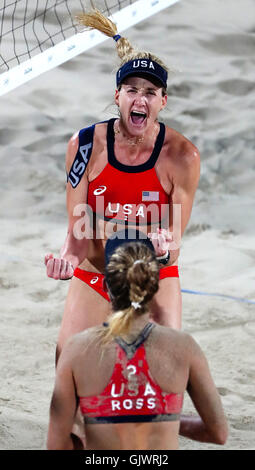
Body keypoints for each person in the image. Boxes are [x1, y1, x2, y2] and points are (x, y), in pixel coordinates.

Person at [45, 9, 200, 360]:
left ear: (163, 101)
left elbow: (174, 242)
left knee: (166, 364)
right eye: (131, 90)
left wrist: (163, 247)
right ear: (118, 96)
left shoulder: (182, 157)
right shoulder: (84, 146)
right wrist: (68, 259)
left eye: (150, 92)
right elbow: (78, 226)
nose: (140, 99)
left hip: (152, 271)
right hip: (96, 269)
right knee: (68, 365)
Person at [47, 235, 228, 450]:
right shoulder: (184, 347)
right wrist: (161, 417)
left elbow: (58, 444)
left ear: (106, 285)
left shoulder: (77, 350)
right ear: (153, 285)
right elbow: (218, 433)